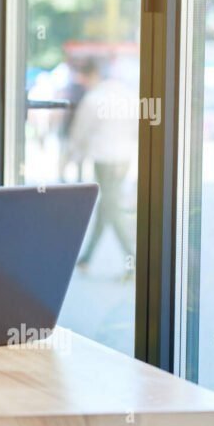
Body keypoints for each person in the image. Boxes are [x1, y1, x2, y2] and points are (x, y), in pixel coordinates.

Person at [68, 59, 137, 272]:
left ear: (91, 76)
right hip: (124, 158)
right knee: (107, 206)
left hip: (104, 159)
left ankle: (134, 260)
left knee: (111, 208)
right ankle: (86, 259)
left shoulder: (93, 99)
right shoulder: (127, 95)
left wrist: (73, 157)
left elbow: (79, 132)